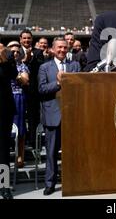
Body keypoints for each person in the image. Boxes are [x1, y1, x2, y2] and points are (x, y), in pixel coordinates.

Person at [38, 37, 80, 195]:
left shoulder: (75, 65)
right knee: (51, 152)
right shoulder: (44, 67)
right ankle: (50, 183)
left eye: (65, 47)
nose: (62, 50)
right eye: (59, 48)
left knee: (73, 151)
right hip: (52, 115)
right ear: (53, 49)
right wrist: (58, 83)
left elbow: (79, 87)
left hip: (72, 115)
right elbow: (41, 89)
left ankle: (74, 181)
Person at [19, 29, 45, 148]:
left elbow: (40, 68)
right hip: (18, 92)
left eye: (28, 38)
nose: (26, 40)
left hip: (33, 91)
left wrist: (30, 58)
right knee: (20, 117)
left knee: (33, 117)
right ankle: (20, 145)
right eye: (24, 38)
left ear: (32, 39)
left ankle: (34, 144)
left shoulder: (38, 52)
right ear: (20, 40)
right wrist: (25, 58)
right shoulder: (16, 52)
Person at [7, 41, 29, 168]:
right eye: (12, 51)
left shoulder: (22, 65)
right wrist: (18, 77)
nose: (15, 54)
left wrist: (14, 75)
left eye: (17, 52)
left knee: (20, 128)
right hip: (5, 97)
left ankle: (20, 155)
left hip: (18, 97)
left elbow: (25, 80)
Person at [0, 43, 18, 199]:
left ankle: (4, 185)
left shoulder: (7, 55)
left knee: (3, 151)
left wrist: (5, 59)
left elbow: (13, 74)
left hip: (4, 110)